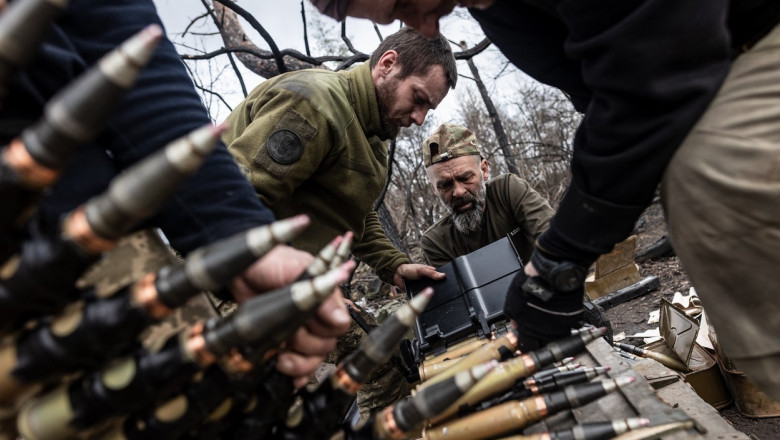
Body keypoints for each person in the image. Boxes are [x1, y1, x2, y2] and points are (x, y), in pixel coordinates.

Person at [314, 0, 780, 398]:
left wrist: (556, 262)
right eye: (444, 185)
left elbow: (646, 84)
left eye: (399, 5)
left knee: (715, 196)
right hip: (681, 81)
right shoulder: (498, 16)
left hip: (740, 47)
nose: (429, 26)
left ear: (485, 170)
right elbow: (600, 96)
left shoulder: (510, 191)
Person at [0, 0, 349, 388]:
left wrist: (234, 232)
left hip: (74, 239)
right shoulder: (317, 100)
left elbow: (119, 37)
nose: (420, 118)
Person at [222, 27, 456, 290]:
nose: (419, 118)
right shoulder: (314, 105)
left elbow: (355, 213)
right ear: (388, 64)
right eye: (418, 99)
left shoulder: (373, 139)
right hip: (226, 276)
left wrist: (393, 264)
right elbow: (232, 198)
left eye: (428, 108)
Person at [419, 123, 554, 267]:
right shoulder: (436, 242)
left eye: (465, 178)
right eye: (445, 185)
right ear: (434, 189)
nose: (458, 192)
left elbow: (556, 241)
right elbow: (453, 289)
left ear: (484, 170)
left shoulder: (507, 191)